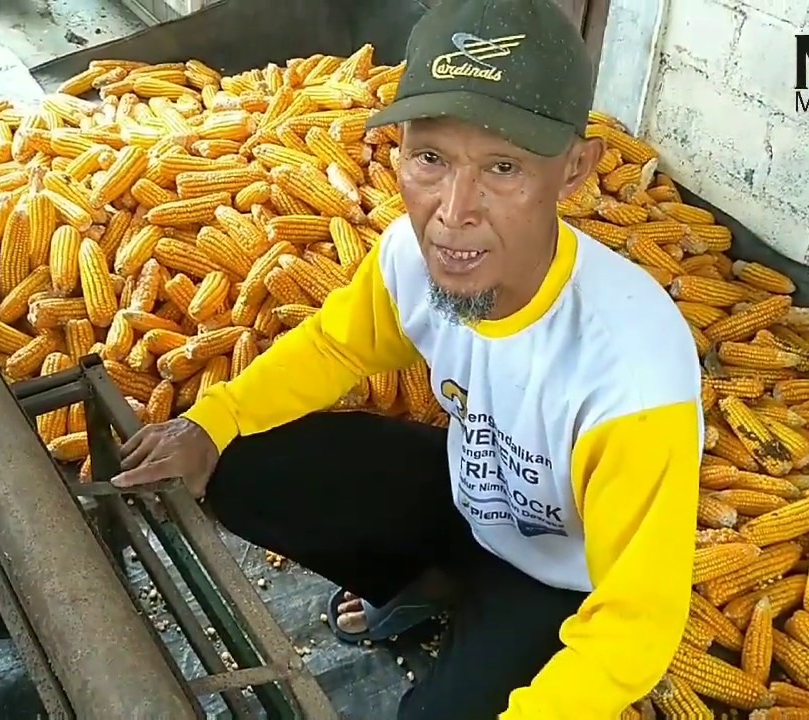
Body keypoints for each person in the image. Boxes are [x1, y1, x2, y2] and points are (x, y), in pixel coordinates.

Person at [114, 0, 703, 716]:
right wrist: (210, 423)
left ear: (575, 170)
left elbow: (639, 620)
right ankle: (427, 585)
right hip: (467, 498)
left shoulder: (632, 376)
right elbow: (335, 343)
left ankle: (486, 624)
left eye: (503, 167)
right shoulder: (410, 256)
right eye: (430, 158)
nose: (454, 209)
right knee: (239, 463)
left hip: (556, 578)